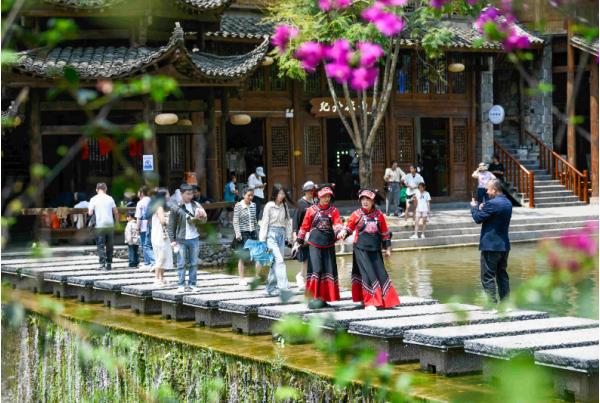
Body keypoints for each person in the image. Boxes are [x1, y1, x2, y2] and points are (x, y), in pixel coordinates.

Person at [338, 188, 400, 310]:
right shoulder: (356, 214)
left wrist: (388, 248)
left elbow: (384, 232)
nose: (365, 202)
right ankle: (370, 302)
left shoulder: (379, 215)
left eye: (368, 199)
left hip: (375, 250)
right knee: (367, 274)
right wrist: (344, 232)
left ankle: (383, 301)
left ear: (373, 201)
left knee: (380, 273)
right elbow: (349, 228)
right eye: (363, 199)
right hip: (360, 249)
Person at [292, 183, 343, 306]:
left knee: (327, 271)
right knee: (316, 270)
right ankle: (313, 299)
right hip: (314, 244)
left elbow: (337, 223)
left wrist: (339, 231)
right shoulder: (311, 210)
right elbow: (304, 227)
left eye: (329, 196)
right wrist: (297, 243)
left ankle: (323, 300)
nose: (327, 199)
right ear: (319, 196)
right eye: (324, 196)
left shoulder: (334, 210)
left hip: (329, 244)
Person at [470, 179, 512, 310]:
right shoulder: (508, 203)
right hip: (504, 246)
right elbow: (494, 215)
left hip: (491, 246)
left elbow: (478, 218)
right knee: (502, 275)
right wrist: (483, 208)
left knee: (487, 276)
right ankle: (505, 304)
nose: (487, 192)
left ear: (495, 189)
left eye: (488, 189)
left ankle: (492, 305)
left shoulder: (492, 204)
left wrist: (474, 207)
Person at [259, 184, 300, 296]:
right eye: (279, 194)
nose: (282, 196)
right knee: (280, 261)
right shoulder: (269, 206)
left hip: (281, 235)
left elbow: (287, 222)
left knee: (275, 263)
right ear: (275, 193)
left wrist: (288, 237)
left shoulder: (284, 205)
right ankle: (284, 287)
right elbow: (264, 223)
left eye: (283, 194)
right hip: (271, 236)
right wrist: (262, 240)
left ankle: (270, 289)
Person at [168, 184, 207, 293]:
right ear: (181, 194)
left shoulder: (196, 205)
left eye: (192, 194)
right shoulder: (175, 207)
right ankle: (181, 284)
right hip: (181, 239)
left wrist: (195, 219)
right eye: (188, 194)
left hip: (194, 237)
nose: (190, 196)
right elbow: (171, 225)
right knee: (181, 264)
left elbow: (204, 219)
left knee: (193, 263)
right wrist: (172, 240)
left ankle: (192, 284)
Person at [232, 186, 262, 286]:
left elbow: (254, 220)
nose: (250, 197)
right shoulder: (238, 206)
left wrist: (257, 232)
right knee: (242, 257)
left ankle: (257, 276)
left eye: (252, 195)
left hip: (253, 233)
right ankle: (241, 278)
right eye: (248, 195)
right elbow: (235, 221)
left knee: (258, 255)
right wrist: (238, 234)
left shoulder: (254, 205)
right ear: (243, 195)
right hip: (243, 233)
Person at [88, 183, 119, 271]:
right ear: (106, 189)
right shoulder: (110, 198)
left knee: (100, 246)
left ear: (96, 190)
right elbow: (116, 212)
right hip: (109, 226)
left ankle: (102, 265)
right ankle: (109, 264)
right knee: (109, 245)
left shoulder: (93, 199)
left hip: (99, 226)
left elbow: (90, 213)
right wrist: (117, 223)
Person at [292, 181, 314, 291]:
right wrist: (295, 239)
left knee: (313, 259)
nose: (311, 192)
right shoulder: (300, 204)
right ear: (305, 191)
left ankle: (311, 281)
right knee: (306, 259)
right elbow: (295, 223)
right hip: (304, 236)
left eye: (312, 190)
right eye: (309, 190)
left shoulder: (315, 202)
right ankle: (300, 276)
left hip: (314, 235)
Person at [150, 188, 172, 287]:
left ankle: (161, 278)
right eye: (167, 194)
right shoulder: (159, 207)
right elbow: (163, 221)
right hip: (159, 235)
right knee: (160, 256)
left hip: (165, 236)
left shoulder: (166, 207)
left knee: (165, 257)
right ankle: (157, 279)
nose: (169, 196)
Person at [135, 186, 155, 270]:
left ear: (142, 193)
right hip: (153, 225)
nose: (137, 194)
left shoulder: (140, 203)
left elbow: (139, 217)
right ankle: (152, 262)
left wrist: (137, 229)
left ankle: (148, 263)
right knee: (152, 245)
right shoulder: (152, 201)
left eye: (138, 192)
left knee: (145, 245)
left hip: (144, 226)